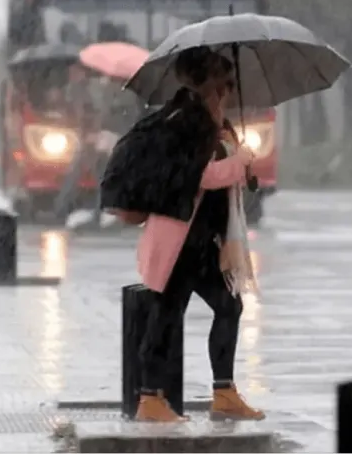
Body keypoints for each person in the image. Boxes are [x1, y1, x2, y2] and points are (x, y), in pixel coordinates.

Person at [100, 47, 263, 422]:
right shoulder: (188, 121)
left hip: (200, 238)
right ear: (209, 84)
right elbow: (200, 176)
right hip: (179, 238)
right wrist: (237, 164)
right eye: (226, 84)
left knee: (222, 307)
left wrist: (239, 159)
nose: (229, 92)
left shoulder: (207, 120)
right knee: (168, 314)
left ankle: (221, 392)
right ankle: (150, 399)